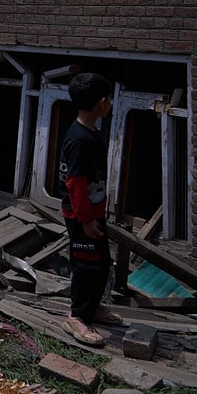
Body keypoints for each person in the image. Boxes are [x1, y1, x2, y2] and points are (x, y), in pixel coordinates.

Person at [58, 71, 123, 346]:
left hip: (92, 214)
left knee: (101, 264)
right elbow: (75, 183)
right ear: (100, 102)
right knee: (86, 267)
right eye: (109, 99)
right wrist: (85, 220)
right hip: (80, 216)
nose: (110, 104)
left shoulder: (92, 132)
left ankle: (93, 308)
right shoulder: (79, 139)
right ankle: (77, 318)